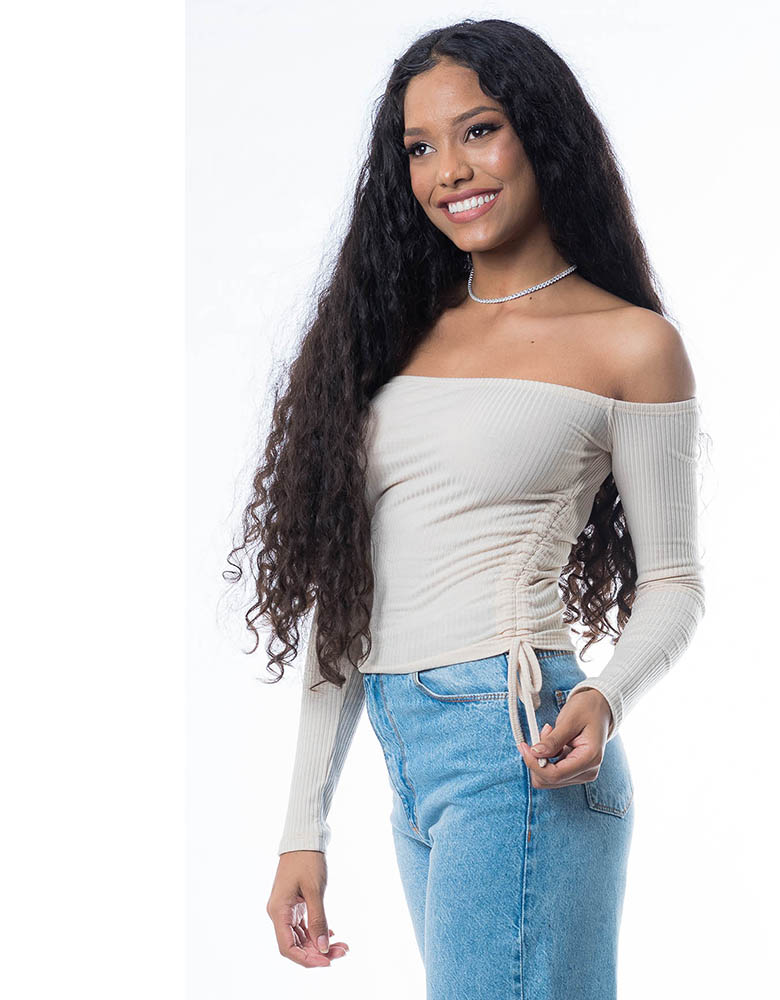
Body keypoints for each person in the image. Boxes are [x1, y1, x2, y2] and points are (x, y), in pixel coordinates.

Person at [227, 18, 707, 1000]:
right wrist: (301, 828)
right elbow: (348, 594)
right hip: (407, 756)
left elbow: (674, 580)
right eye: (419, 147)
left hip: (520, 744)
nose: (448, 170)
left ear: (541, 135)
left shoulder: (630, 344)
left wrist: (606, 698)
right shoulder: (394, 334)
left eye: (479, 130)